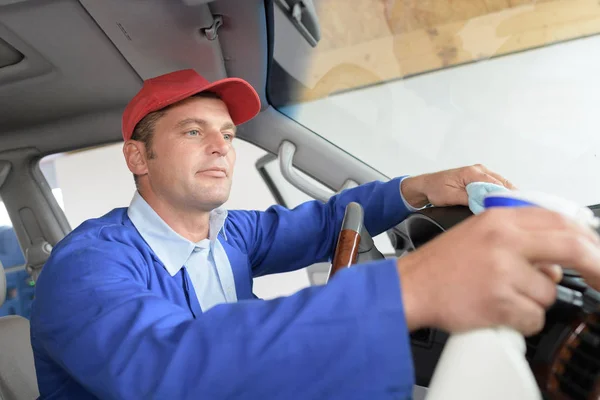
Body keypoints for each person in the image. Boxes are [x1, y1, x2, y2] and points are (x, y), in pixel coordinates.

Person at [30, 69, 600, 399]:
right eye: (193, 130)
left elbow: (328, 221)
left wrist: (424, 185)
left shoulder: (228, 235)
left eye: (228, 135)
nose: (220, 147)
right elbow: (162, 370)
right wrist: (412, 287)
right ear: (138, 155)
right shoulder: (87, 266)